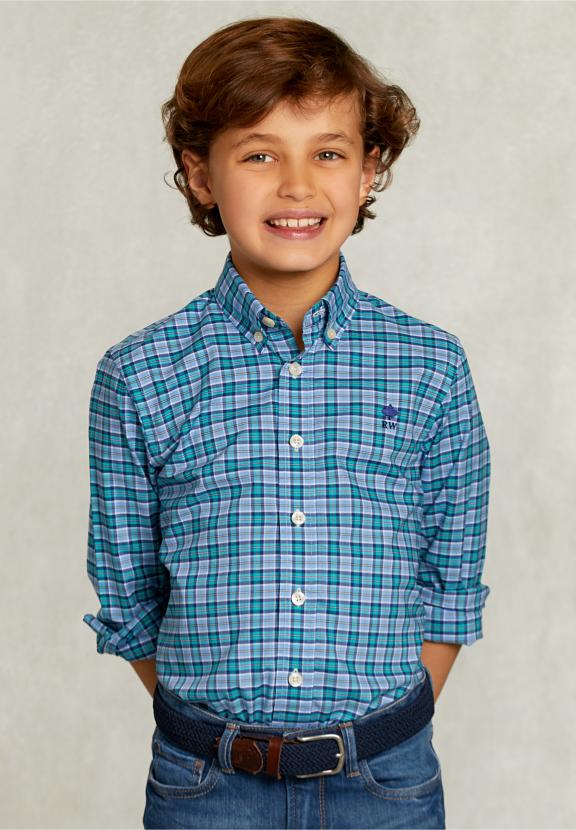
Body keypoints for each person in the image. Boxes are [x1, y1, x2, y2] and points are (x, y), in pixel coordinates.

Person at [82, 16, 491, 830]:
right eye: (260, 155)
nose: (298, 186)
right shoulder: (139, 374)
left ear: (369, 171)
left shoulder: (432, 367)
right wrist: (219, 734)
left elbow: (449, 584)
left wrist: (375, 735)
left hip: (387, 784)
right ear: (201, 175)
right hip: (206, 789)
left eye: (328, 154)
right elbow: (128, 595)